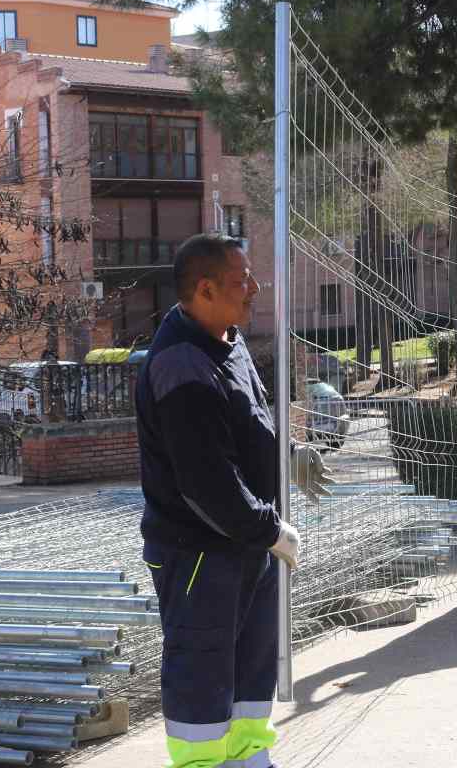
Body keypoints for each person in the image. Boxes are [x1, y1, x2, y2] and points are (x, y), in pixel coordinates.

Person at [135, 233, 333, 768]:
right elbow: (205, 482)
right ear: (204, 288)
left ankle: (248, 756)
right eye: (242, 280)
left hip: (243, 546)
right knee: (203, 666)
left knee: (250, 662)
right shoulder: (181, 365)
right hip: (200, 551)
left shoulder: (227, 338)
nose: (254, 289)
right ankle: (203, 763)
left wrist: (285, 453)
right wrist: (270, 530)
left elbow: (247, 423)